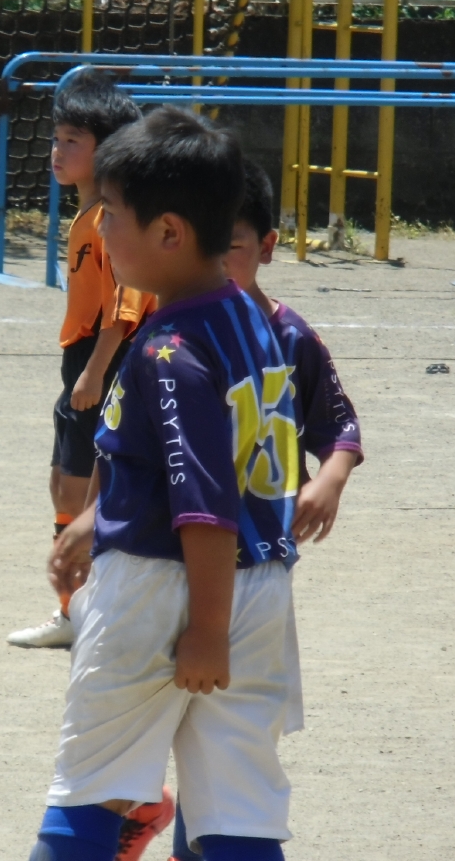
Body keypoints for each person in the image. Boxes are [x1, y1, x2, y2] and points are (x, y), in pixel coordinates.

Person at [27, 107, 302, 861]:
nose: (100, 227)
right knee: (239, 809)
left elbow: (204, 503)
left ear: (170, 233)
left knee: (90, 790)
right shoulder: (254, 322)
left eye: (112, 214)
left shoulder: (167, 348)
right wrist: (94, 519)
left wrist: (205, 626)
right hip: (261, 588)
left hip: (164, 587)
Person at [163, 160, 365, 861]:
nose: (219, 263)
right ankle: (150, 814)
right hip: (170, 565)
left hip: (255, 572)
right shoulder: (173, 332)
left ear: (268, 246)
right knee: (181, 729)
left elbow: (339, 424)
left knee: (230, 737)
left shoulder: (290, 337)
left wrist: (330, 479)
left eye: (234, 247)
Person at [7, 67, 154, 650]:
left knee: (86, 492)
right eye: (57, 137)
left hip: (103, 363)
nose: (58, 150)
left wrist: (95, 371)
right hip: (83, 363)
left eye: (73, 140)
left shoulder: (109, 221)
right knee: (62, 486)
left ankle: (85, 610)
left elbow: (126, 303)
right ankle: (76, 609)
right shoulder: (89, 214)